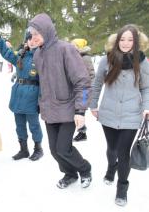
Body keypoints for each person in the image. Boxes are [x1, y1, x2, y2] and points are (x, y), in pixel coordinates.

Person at [29, 13, 92, 189]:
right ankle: (69, 173)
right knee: (54, 151)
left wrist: (80, 110)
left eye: (36, 34)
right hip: (49, 110)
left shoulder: (66, 49)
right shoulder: (37, 55)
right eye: (31, 34)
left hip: (68, 109)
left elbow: (83, 82)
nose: (33, 38)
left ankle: (85, 169)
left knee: (64, 148)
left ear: (47, 31)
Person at [89, 24, 149, 206]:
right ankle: (110, 167)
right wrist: (92, 104)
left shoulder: (143, 62)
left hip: (132, 115)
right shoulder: (106, 60)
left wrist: (146, 107)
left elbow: (146, 87)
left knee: (123, 153)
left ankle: (122, 188)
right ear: (117, 40)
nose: (126, 43)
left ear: (137, 42)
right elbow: (97, 83)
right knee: (112, 148)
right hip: (108, 113)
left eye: (130, 39)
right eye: (122, 39)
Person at [0, 28, 44, 161]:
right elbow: (7, 53)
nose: (32, 42)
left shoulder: (42, 57)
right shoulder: (21, 55)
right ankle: (23, 149)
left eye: (35, 39)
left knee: (34, 124)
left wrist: (41, 100)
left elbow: (45, 81)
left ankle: (38, 148)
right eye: (29, 39)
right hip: (18, 94)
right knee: (19, 124)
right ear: (26, 41)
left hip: (33, 95)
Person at [71, 38, 95, 142]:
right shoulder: (74, 56)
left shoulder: (85, 58)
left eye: (74, 45)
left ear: (79, 46)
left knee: (80, 110)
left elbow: (92, 74)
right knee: (75, 110)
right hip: (76, 88)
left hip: (84, 89)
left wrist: (89, 88)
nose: (72, 46)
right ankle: (81, 130)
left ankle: (82, 132)